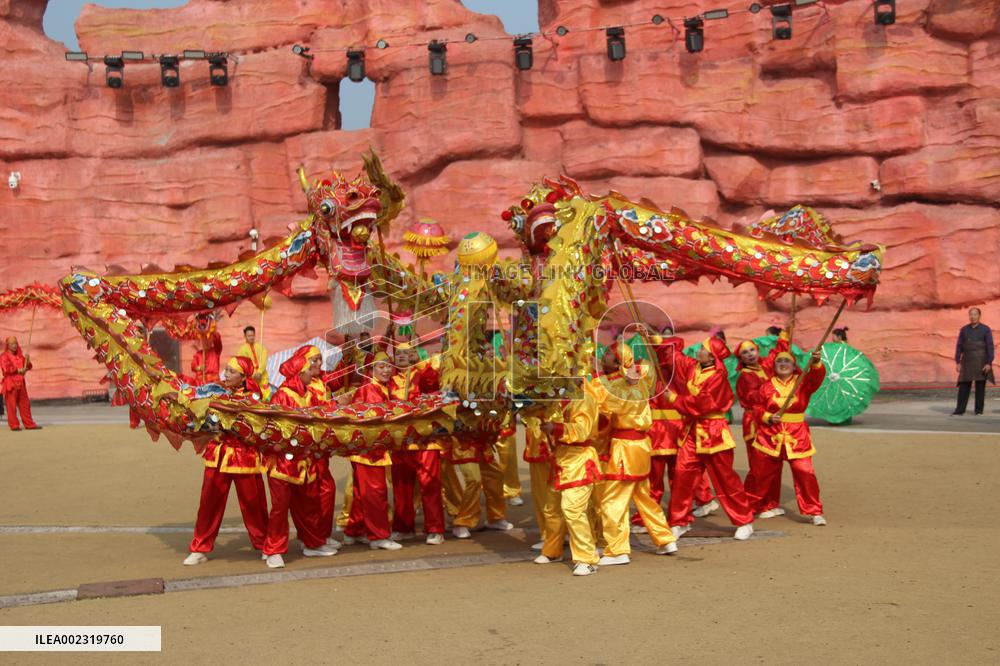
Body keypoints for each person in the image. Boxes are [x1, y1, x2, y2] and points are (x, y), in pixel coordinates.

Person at [658, 336, 756, 540]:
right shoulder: (694, 368)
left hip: (713, 432)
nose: (698, 351)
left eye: (702, 348)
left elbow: (703, 404)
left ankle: (744, 519)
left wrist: (674, 398)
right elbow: (675, 357)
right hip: (692, 433)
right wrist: (654, 337)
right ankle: (679, 521)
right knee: (683, 476)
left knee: (725, 479)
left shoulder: (718, 376)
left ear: (712, 356)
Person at [183, 356, 269, 565]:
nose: (227, 375)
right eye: (227, 370)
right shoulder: (215, 391)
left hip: (244, 456)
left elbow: (257, 426)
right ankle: (200, 547)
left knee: (253, 504)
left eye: (232, 372)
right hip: (218, 455)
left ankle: (265, 544)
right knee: (208, 504)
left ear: (243, 377)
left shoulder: (253, 397)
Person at [596, 351, 678, 566]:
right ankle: (665, 539)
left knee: (612, 500)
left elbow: (601, 415)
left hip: (624, 448)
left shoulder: (615, 390)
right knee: (644, 497)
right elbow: (648, 367)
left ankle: (617, 550)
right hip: (642, 447)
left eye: (607, 357)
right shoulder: (642, 385)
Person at [262, 346, 339, 568]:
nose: (313, 371)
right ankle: (273, 549)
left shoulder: (308, 394)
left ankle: (313, 543)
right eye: (309, 367)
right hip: (283, 464)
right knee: (280, 508)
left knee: (309, 504)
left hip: (305, 461)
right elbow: (274, 428)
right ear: (300, 372)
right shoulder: (283, 395)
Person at [534, 375, 607, 576]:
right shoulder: (558, 398)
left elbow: (582, 430)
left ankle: (587, 558)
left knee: (572, 509)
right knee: (552, 508)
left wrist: (556, 428)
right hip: (560, 458)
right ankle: (552, 550)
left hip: (579, 459)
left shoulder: (585, 398)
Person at [748, 350, 828, 525]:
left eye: (787, 361)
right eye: (779, 362)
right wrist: (768, 417)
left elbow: (817, 377)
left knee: (805, 472)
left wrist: (815, 363)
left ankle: (814, 510)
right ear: (774, 366)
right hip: (770, 436)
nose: (783, 364)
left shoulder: (803, 383)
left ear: (793, 365)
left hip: (797, 435)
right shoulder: (766, 386)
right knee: (762, 474)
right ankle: (755, 507)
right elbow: (757, 407)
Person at [388, 343, 446, 545]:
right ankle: (403, 528)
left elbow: (433, 384)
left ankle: (435, 528)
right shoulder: (390, 381)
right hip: (401, 442)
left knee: (429, 485)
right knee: (401, 488)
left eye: (407, 353)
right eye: (398, 354)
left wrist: (420, 364)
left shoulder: (421, 375)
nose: (402, 357)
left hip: (426, 440)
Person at [344, 353, 402, 550]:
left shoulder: (381, 388)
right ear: (371, 371)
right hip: (370, 452)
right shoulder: (371, 390)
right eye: (380, 367)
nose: (386, 370)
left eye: (388, 366)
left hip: (367, 450)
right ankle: (378, 536)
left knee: (362, 494)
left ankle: (354, 530)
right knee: (375, 493)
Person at [735, 334, 790, 519]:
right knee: (760, 466)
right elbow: (754, 397)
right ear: (740, 358)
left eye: (752, 350)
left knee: (774, 464)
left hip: (770, 421)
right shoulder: (745, 376)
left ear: (758, 351)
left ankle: (770, 503)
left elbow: (778, 354)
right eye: (745, 353)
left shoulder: (764, 367)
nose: (749, 354)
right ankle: (753, 504)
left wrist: (785, 334)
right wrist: (773, 391)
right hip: (755, 422)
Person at [953, 308, 994, 416]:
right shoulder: (964, 330)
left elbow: (990, 347)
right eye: (971, 314)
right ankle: (959, 410)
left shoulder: (986, 329)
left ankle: (979, 411)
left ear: (979, 316)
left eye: (975, 314)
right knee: (964, 386)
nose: (973, 317)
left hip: (981, 361)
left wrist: (989, 362)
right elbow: (959, 346)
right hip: (967, 361)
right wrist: (958, 361)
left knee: (980, 387)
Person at [1, 336, 38, 431]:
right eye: (12, 344)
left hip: (21, 383)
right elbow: (6, 369)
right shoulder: (4, 356)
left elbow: (28, 367)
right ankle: (14, 425)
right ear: (8, 345)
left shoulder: (20, 356)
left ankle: (29, 424)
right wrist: (18, 370)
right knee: (11, 406)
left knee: (25, 404)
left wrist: (27, 360)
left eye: (15, 343)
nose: (14, 346)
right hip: (10, 383)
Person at [236, 325, 270, 399]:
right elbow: (242, 366)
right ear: (245, 336)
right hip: (251, 379)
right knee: (253, 398)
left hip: (262, 377)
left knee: (266, 397)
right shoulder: (242, 350)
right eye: (249, 336)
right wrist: (253, 374)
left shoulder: (261, 347)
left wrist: (259, 372)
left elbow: (264, 361)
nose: (251, 337)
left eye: (252, 335)